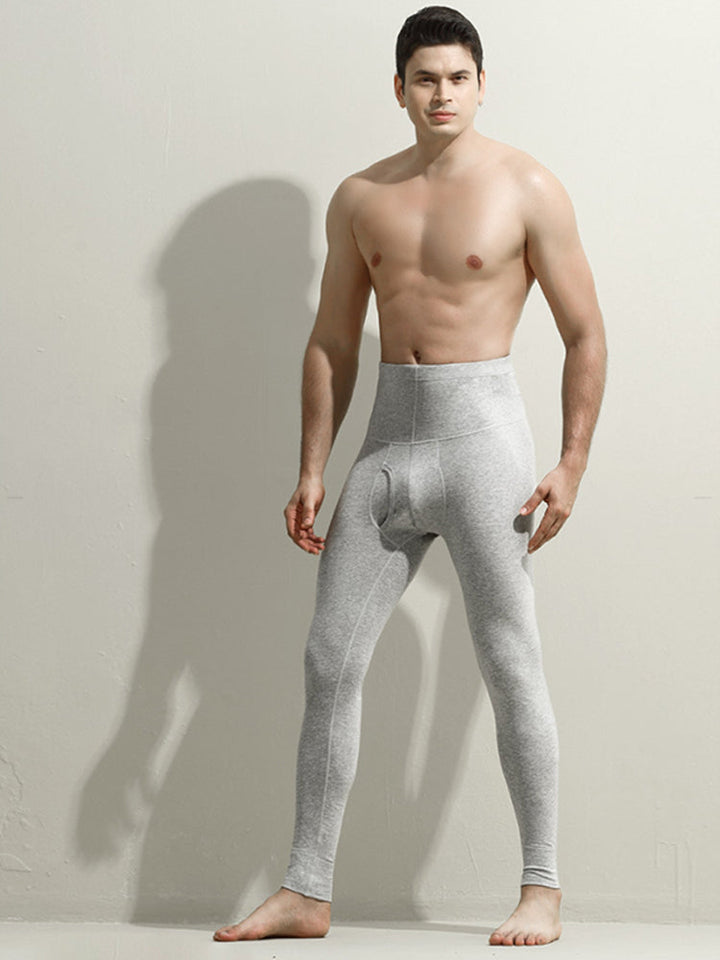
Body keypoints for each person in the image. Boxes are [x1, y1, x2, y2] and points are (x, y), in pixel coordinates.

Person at [214, 4, 607, 948]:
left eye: (458, 78)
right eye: (425, 79)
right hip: (390, 445)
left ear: (482, 85)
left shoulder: (528, 186)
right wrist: (313, 466)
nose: (443, 94)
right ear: (398, 88)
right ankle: (307, 890)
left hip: (483, 446)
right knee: (327, 661)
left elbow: (586, 332)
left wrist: (571, 463)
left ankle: (542, 887)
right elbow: (332, 340)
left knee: (509, 657)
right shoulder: (360, 198)